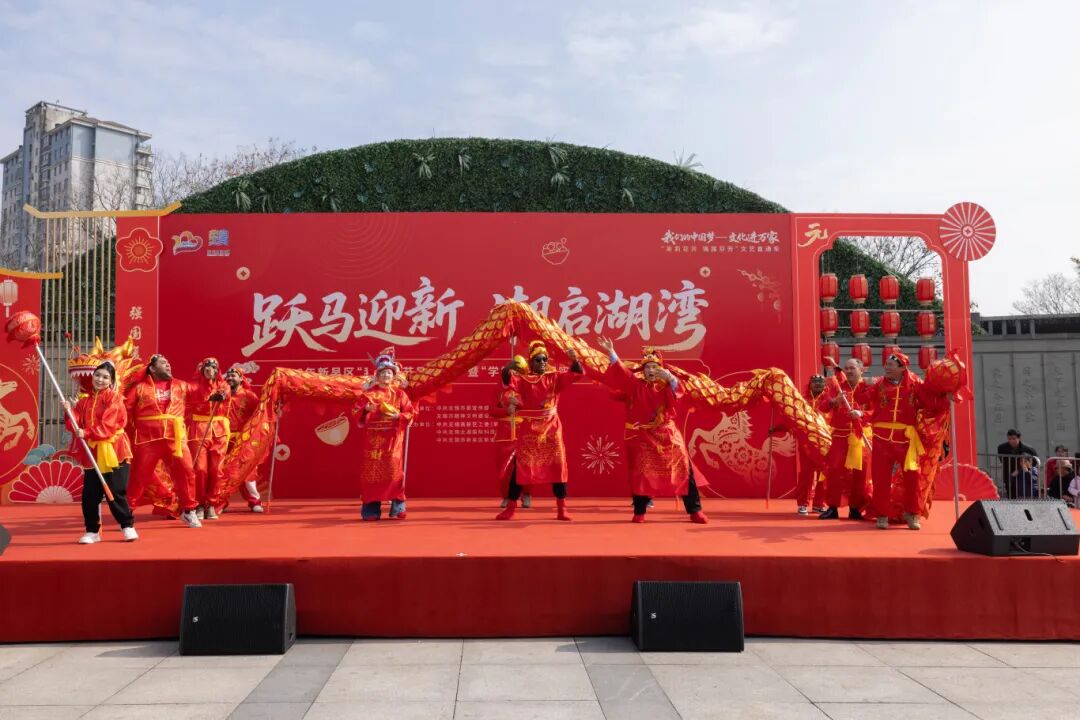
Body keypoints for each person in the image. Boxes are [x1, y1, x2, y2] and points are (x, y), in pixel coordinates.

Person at [594, 337, 708, 523]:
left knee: (685, 471)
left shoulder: (667, 386)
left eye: (655, 367)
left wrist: (670, 378)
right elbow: (623, 373)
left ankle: (695, 511)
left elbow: (679, 393)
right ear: (643, 370)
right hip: (646, 436)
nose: (651, 370)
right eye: (647, 367)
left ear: (661, 369)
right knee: (641, 473)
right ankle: (639, 511)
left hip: (669, 435)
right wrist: (611, 352)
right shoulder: (635, 386)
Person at [494, 339, 583, 521]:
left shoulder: (554, 377)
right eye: (538, 360)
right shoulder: (523, 379)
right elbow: (508, 382)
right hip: (529, 430)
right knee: (520, 469)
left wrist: (575, 360)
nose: (542, 362)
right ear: (531, 362)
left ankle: (562, 508)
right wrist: (509, 367)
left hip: (551, 429)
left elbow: (576, 374)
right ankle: (510, 508)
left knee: (558, 468)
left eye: (544, 359)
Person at [854, 351, 944, 530]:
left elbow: (929, 402)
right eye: (886, 364)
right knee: (880, 479)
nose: (886, 367)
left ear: (902, 368)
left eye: (891, 365)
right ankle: (882, 515)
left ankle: (913, 514)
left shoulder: (915, 384)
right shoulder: (879, 383)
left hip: (906, 439)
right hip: (882, 439)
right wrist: (862, 384)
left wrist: (944, 396)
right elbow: (861, 398)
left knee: (913, 478)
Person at [124, 354, 201, 528]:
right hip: (147, 439)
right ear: (152, 368)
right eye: (163, 363)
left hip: (176, 438)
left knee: (187, 472)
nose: (168, 365)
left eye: (168, 362)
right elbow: (124, 410)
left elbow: (201, 394)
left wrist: (208, 379)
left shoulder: (181, 385)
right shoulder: (140, 388)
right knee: (139, 476)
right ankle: (127, 511)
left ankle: (189, 510)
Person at [64, 361, 138, 543]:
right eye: (97, 375)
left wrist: (87, 432)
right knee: (90, 494)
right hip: (92, 452)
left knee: (116, 491)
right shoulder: (84, 401)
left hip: (115, 450)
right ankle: (92, 531)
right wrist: (69, 411)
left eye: (105, 377)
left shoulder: (114, 398)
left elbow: (109, 425)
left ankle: (127, 526)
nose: (100, 379)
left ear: (111, 381)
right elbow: (75, 425)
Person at [354, 348, 415, 520]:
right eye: (383, 373)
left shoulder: (399, 394)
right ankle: (371, 510)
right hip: (373, 441)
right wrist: (366, 409)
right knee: (372, 475)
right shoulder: (368, 395)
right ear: (377, 375)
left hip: (393, 439)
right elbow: (356, 410)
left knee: (394, 472)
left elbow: (410, 412)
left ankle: (398, 507)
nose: (386, 376)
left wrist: (399, 416)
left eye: (389, 373)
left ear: (393, 376)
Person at [818, 359, 869, 521]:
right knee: (834, 471)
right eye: (846, 368)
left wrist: (861, 414)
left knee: (859, 473)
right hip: (839, 436)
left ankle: (855, 508)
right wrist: (834, 401)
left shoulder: (868, 387)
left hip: (860, 436)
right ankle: (832, 507)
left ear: (861, 370)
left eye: (852, 368)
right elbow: (823, 406)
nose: (849, 371)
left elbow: (876, 409)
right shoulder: (836, 387)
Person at [187, 357, 230, 519]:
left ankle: (211, 503)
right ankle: (198, 504)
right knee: (200, 469)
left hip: (219, 430)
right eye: (206, 367)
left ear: (217, 370)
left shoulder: (223, 384)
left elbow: (225, 392)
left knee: (216, 469)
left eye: (213, 367)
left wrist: (220, 395)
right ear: (201, 369)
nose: (209, 369)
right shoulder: (192, 386)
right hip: (199, 429)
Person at [492, 355, 531, 510]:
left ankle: (526, 495)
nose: (515, 374)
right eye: (513, 371)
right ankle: (506, 497)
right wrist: (505, 411)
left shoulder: (528, 388)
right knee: (505, 469)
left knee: (525, 466)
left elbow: (535, 408)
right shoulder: (499, 389)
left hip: (523, 432)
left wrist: (520, 404)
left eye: (519, 371)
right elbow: (491, 410)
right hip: (504, 434)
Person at [222, 366, 264, 512]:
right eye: (228, 375)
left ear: (241, 379)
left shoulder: (249, 396)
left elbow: (259, 415)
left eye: (233, 375)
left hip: (243, 439)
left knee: (247, 471)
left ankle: (254, 502)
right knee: (222, 471)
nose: (230, 378)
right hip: (223, 438)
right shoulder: (221, 395)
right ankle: (220, 503)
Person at [996, 429, 1040, 499]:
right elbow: (1003, 460)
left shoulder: (1028, 449)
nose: (1011, 441)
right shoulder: (1002, 448)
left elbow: (1035, 461)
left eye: (1014, 439)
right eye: (1009, 439)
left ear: (1019, 438)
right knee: (1011, 496)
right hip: (1010, 475)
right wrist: (1012, 473)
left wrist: (1023, 469)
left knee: (1025, 496)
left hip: (1024, 476)